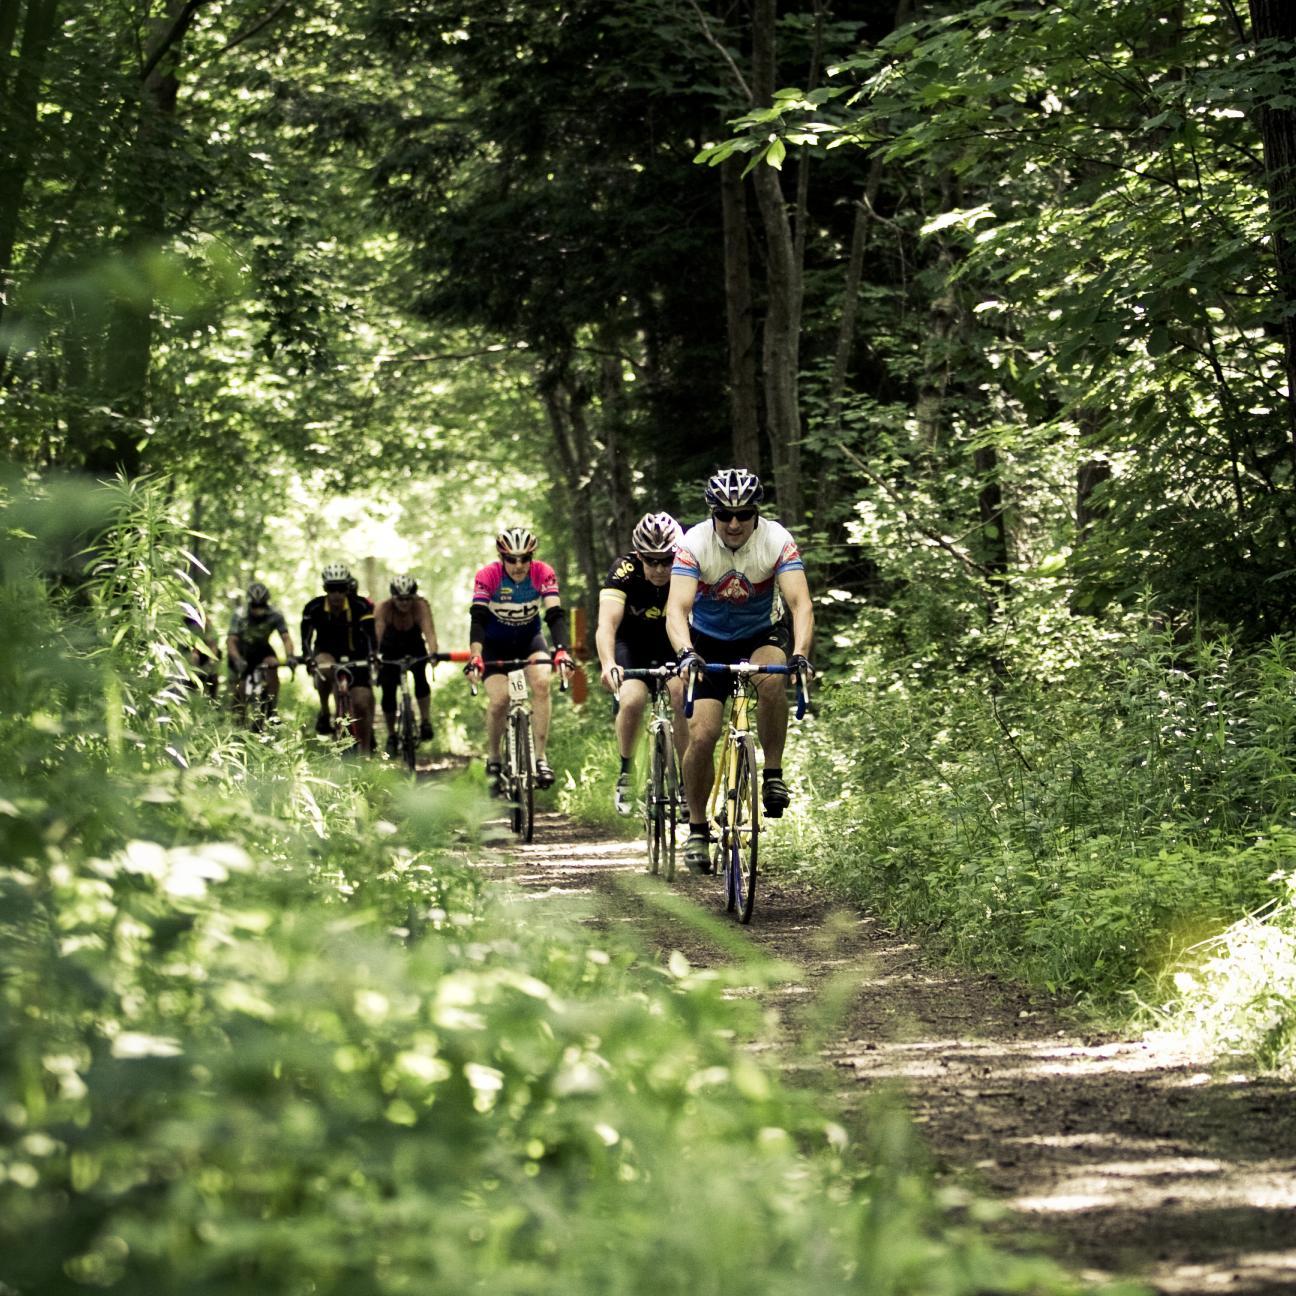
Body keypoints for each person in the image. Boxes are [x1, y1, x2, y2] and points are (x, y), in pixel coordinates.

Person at [665, 468, 814, 874]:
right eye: (725, 515)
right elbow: (676, 609)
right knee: (703, 734)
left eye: (744, 514)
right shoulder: (694, 543)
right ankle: (697, 827)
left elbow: (800, 604)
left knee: (774, 675)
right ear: (712, 513)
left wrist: (800, 654)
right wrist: (685, 652)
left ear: (756, 514)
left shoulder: (776, 540)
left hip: (760, 634)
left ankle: (772, 774)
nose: (734, 524)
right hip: (706, 640)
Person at [464, 527, 575, 791]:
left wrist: (562, 649)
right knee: (499, 699)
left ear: (531, 557)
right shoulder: (488, 576)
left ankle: (539, 758)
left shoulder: (542, 573)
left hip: (529, 641)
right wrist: (476, 655)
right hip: (494, 646)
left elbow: (555, 614)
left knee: (541, 684)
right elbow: (478, 618)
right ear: (501, 557)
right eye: (511, 559)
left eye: (524, 558)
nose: (518, 565)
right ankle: (493, 758)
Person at [595, 511, 688, 815]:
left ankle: (686, 779)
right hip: (631, 645)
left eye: (667, 560)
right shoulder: (624, 570)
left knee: (681, 695)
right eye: (651, 561)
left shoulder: (690, 568)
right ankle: (626, 772)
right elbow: (606, 625)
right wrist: (608, 663)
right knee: (632, 699)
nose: (660, 569)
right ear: (639, 556)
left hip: (672, 645)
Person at [300, 562, 378, 752]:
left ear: (347, 588)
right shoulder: (313, 607)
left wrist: (373, 655)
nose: (337, 594)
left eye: (341, 589)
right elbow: (306, 639)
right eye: (332, 589)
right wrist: (308, 658)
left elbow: (370, 635)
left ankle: (366, 752)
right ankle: (325, 711)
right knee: (324, 666)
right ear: (325, 589)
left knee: (362, 702)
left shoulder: (360, 605)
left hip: (355, 654)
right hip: (326, 652)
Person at [375, 573, 439, 757]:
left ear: (414, 597)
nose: (404, 603)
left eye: (408, 599)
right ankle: (391, 735)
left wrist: (433, 653)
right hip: (390, 649)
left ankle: (425, 721)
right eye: (400, 599)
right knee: (388, 690)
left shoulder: (421, 606)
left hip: (414, 646)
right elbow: (377, 636)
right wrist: (374, 657)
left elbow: (430, 633)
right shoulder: (383, 608)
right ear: (393, 597)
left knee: (421, 679)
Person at [226, 581, 296, 718]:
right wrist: (237, 659)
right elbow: (231, 641)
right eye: (254, 606)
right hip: (241, 651)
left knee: (272, 665)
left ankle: (271, 709)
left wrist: (290, 656)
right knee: (239, 689)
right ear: (249, 603)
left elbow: (286, 638)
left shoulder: (275, 614)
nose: (258, 609)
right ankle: (238, 718)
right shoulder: (240, 615)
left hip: (262, 649)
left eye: (261, 606)